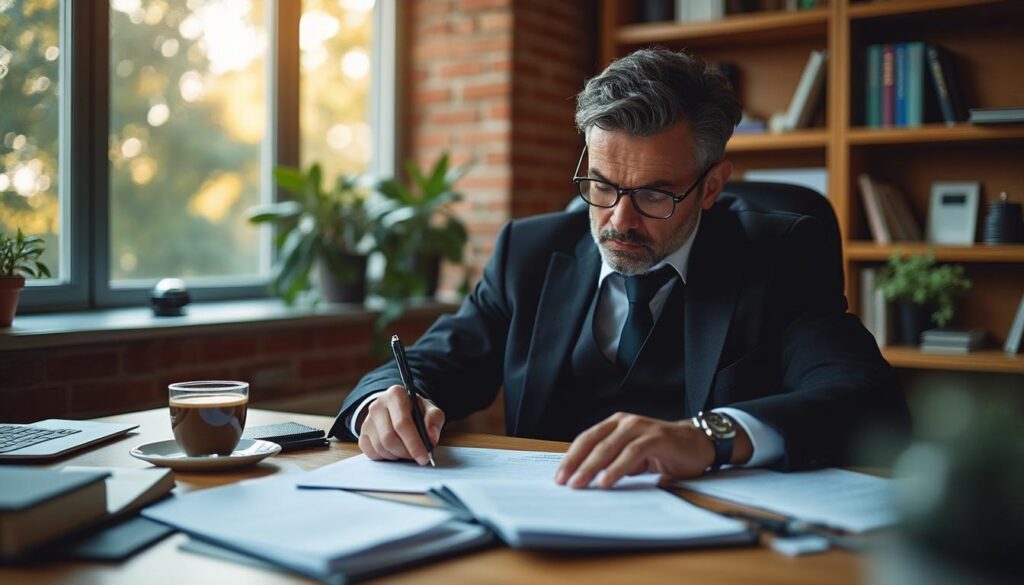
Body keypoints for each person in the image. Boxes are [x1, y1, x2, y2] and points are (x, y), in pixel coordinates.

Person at [328, 48, 910, 488]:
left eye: (655, 194)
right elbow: (431, 364)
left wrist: (708, 436)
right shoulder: (528, 253)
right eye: (602, 186)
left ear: (712, 187)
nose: (618, 221)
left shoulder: (778, 254)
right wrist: (383, 402)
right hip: (537, 529)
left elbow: (868, 401)